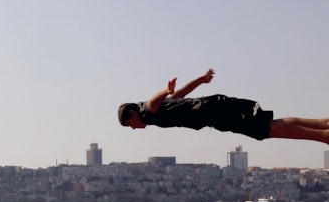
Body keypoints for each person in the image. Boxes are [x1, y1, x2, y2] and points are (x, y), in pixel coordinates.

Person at [118, 68, 329, 145]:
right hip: (215, 107)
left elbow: (152, 102)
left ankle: (324, 136)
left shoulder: (146, 112)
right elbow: (181, 94)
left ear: (132, 115)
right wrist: (201, 80)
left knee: (265, 130)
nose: (134, 129)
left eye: (130, 125)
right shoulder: (156, 112)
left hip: (215, 113)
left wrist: (165, 90)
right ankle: (323, 125)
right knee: (269, 124)